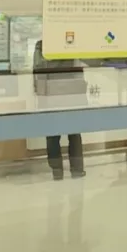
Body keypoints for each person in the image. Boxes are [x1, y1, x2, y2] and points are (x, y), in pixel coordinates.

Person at [33, 40, 87, 180]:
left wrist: (40, 95)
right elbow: (79, 69)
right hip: (71, 92)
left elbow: (38, 70)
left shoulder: (41, 44)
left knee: (52, 134)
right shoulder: (72, 41)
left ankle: (57, 171)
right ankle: (77, 169)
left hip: (51, 93)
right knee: (74, 133)